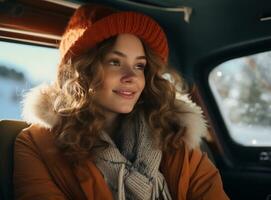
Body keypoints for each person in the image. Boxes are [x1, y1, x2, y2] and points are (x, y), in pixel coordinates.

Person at [14, 4, 229, 200]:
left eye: (139, 66)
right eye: (115, 62)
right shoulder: (37, 145)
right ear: (82, 71)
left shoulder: (173, 134)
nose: (132, 77)